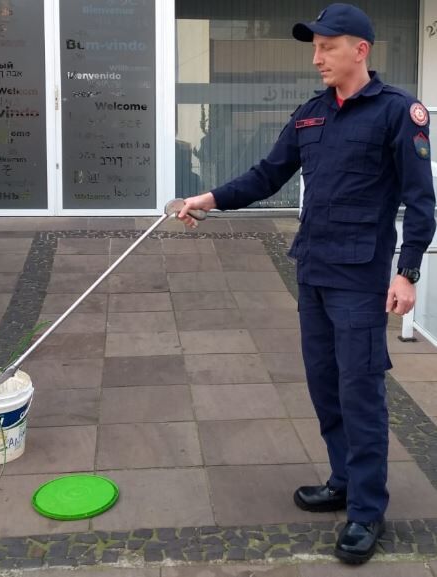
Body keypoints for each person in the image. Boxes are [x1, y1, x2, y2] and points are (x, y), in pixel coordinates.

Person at [177, 2, 436, 565]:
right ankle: (343, 479)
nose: (317, 57)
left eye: (327, 46)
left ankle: (367, 510)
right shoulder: (312, 113)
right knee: (324, 385)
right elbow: (268, 173)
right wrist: (211, 199)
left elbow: (421, 203)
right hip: (313, 271)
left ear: (360, 50)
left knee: (360, 391)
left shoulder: (398, 114)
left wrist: (408, 272)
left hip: (360, 280)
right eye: (314, 47)